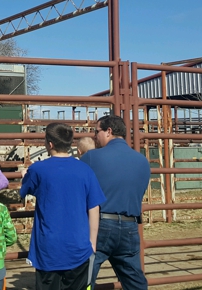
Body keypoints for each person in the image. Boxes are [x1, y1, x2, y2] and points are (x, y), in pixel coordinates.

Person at [20, 123, 105, 290]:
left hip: (48, 249)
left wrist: (25, 174)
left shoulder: (37, 170)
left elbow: (24, 190)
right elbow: (94, 207)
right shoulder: (85, 170)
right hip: (78, 247)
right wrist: (92, 242)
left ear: (49, 144)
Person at [80, 114, 151, 290]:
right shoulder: (142, 161)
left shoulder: (91, 158)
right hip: (130, 226)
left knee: (85, 278)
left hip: (100, 225)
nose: (95, 136)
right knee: (135, 281)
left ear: (108, 131)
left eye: (97, 131)